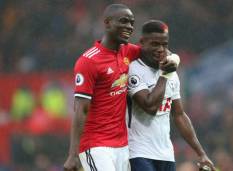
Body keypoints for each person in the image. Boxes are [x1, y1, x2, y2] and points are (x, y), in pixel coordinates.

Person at [63, 4, 178, 171]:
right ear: (107, 23)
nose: (129, 27)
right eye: (123, 21)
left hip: (122, 147)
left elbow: (158, 51)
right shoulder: (89, 61)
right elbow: (81, 109)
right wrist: (73, 154)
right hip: (96, 145)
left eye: (131, 23)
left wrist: (175, 57)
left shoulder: (127, 52)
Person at [127, 20, 216, 171]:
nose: (160, 49)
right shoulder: (133, 70)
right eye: (155, 44)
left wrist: (201, 153)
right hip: (137, 152)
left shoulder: (171, 72)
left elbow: (179, 115)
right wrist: (165, 74)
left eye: (164, 44)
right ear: (142, 42)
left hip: (166, 154)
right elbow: (150, 107)